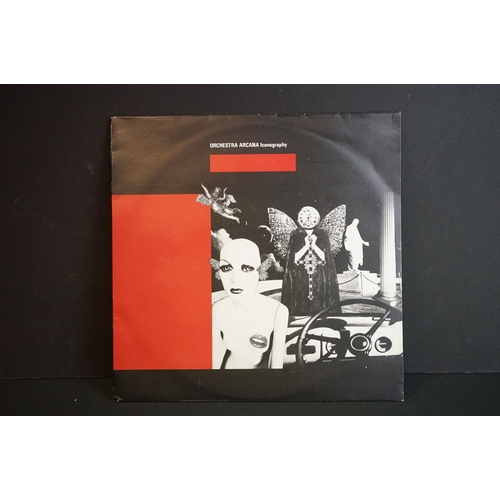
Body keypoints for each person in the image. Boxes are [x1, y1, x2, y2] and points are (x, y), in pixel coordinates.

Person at [211, 239, 289, 369]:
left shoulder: (277, 311)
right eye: (226, 268)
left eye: (247, 268)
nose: (235, 279)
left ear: (260, 271)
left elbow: (276, 365)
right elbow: (215, 359)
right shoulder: (217, 309)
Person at [281, 207, 340, 316]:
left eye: (311, 217)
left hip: (319, 275)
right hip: (301, 275)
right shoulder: (295, 235)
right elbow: (294, 258)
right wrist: (306, 245)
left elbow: (325, 257)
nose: (308, 219)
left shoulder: (323, 235)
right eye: (305, 217)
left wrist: (314, 245)